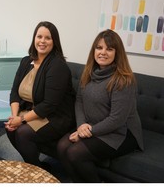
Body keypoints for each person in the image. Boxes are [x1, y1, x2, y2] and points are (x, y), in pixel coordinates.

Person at [57, 29, 144, 183]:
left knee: (75, 153)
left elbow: (117, 119)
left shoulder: (123, 80)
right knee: (62, 147)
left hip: (122, 132)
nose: (103, 52)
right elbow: (79, 101)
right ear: (94, 50)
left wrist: (87, 132)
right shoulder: (90, 72)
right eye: (99, 47)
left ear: (117, 53)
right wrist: (81, 125)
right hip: (93, 125)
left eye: (109, 49)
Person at [4, 21, 76, 170]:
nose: (42, 41)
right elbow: (14, 93)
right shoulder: (26, 61)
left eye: (48, 38)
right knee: (9, 127)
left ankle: (36, 170)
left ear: (54, 41)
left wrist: (21, 119)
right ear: (34, 38)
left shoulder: (57, 66)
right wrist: (14, 116)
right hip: (34, 111)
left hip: (55, 116)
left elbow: (49, 104)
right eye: (39, 36)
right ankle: (36, 166)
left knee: (23, 133)